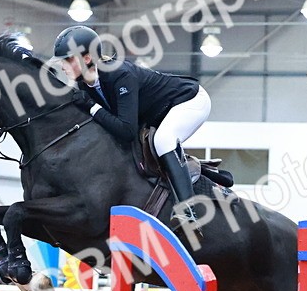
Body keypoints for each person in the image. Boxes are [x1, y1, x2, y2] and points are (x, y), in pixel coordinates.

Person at [52, 26, 212, 228]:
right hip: (159, 112)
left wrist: (92, 107)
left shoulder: (120, 74)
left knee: (163, 140)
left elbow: (126, 130)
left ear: (86, 59)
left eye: (68, 60)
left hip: (189, 101)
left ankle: (189, 211)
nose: (63, 66)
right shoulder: (85, 85)